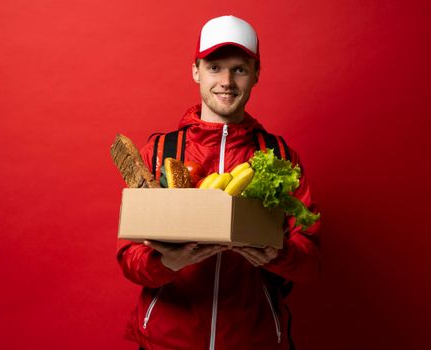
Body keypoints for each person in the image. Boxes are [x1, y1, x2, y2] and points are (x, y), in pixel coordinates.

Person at [117, 15, 321, 350]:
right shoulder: (158, 152)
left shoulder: (280, 157)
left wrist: (277, 254)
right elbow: (128, 258)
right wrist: (167, 263)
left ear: (256, 73)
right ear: (195, 71)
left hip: (254, 341)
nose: (226, 80)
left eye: (239, 69)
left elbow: (311, 262)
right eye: (214, 67)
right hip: (167, 342)